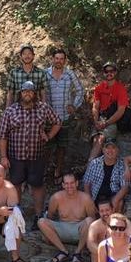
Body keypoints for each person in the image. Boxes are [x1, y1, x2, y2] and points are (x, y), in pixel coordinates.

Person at [0, 80, 61, 221]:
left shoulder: (43, 108)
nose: (27, 93)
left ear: (35, 93)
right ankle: (16, 215)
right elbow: (2, 135)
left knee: (37, 185)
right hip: (15, 156)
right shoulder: (10, 111)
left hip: (37, 155)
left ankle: (39, 216)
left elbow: (57, 121)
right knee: (15, 185)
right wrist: (3, 156)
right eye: (25, 91)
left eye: (30, 91)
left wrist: (49, 135)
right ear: (20, 93)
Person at [38, 172, 97, 262]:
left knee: (90, 221)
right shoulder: (56, 197)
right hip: (62, 228)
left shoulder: (86, 198)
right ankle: (63, 252)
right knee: (41, 221)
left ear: (77, 183)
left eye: (72, 183)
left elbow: (93, 220)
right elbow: (50, 216)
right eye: (66, 183)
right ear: (63, 185)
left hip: (79, 231)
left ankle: (77, 253)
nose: (69, 186)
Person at [44, 48, 85, 183]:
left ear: (65, 60)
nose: (59, 61)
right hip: (49, 118)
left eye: (62, 59)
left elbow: (80, 90)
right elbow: (39, 92)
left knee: (62, 147)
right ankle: (45, 171)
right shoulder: (45, 74)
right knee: (47, 146)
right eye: (57, 58)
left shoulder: (69, 74)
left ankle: (58, 172)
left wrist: (74, 105)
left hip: (64, 118)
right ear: (53, 59)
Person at [88, 62, 129, 160]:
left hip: (112, 120)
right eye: (106, 71)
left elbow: (120, 110)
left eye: (112, 71)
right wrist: (96, 121)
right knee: (95, 140)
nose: (109, 73)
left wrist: (106, 123)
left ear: (115, 72)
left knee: (100, 139)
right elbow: (95, 106)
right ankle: (97, 167)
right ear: (103, 73)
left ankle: (89, 166)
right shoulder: (99, 88)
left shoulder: (120, 89)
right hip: (100, 118)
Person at [82, 140, 129, 213]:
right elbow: (86, 183)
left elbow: (125, 187)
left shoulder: (121, 165)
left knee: (120, 202)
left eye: (113, 148)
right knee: (87, 203)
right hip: (96, 195)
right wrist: (90, 200)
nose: (110, 150)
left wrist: (115, 199)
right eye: (107, 148)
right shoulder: (94, 163)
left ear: (117, 150)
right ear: (103, 150)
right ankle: (94, 223)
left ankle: (113, 223)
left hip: (112, 196)